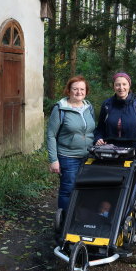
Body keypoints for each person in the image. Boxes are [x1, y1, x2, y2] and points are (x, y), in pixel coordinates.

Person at [46, 75, 96, 213]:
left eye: (82, 89)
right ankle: (64, 224)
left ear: (86, 91)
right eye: (75, 89)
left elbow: (92, 130)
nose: (79, 92)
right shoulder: (60, 109)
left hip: (89, 157)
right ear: (68, 91)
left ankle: (79, 220)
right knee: (68, 189)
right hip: (68, 157)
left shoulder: (89, 108)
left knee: (86, 189)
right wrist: (54, 160)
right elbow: (51, 135)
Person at [94, 72, 136, 158]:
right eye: (118, 85)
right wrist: (98, 139)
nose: (121, 88)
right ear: (113, 86)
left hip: (134, 152)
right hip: (110, 152)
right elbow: (99, 129)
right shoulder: (107, 104)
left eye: (124, 84)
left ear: (129, 86)